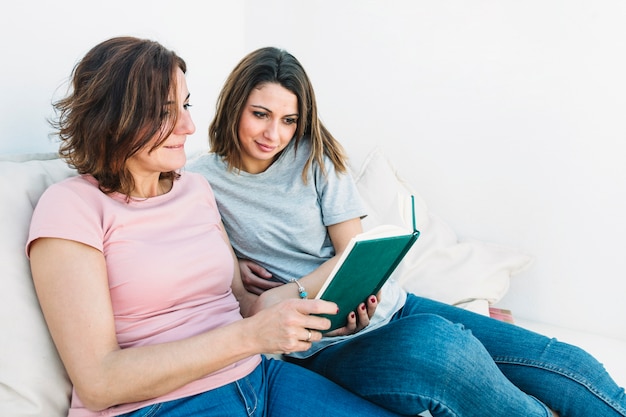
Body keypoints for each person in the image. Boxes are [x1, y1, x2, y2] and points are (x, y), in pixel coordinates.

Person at [186, 46, 626, 417]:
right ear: (233, 105)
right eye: (260, 114)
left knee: (562, 362)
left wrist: (291, 292)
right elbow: (234, 292)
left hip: (390, 307)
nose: (274, 134)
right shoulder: (201, 181)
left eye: (289, 120)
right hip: (321, 346)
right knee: (438, 349)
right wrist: (251, 276)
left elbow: (351, 252)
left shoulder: (315, 157)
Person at [26, 37, 404, 417]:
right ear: (113, 117)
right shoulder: (70, 207)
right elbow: (99, 383)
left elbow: (243, 305)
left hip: (258, 377)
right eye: (165, 111)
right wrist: (252, 335)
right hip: (159, 406)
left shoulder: (196, 188)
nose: (188, 126)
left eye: (186, 105)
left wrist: (320, 320)